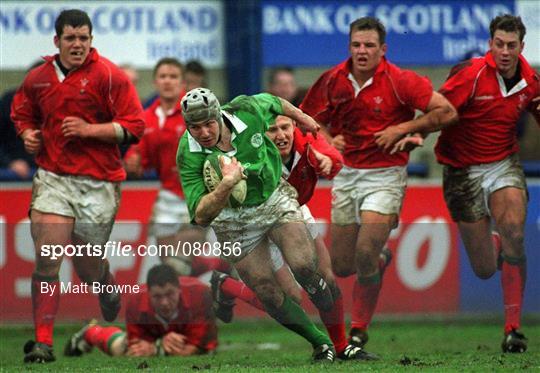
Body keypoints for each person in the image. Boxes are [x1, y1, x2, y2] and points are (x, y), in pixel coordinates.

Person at [375, 14, 539, 353]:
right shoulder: (472, 75)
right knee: (482, 268)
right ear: (490, 44)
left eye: (511, 46)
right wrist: (412, 132)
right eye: (498, 44)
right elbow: (439, 112)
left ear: (522, 47)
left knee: (516, 232)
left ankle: (512, 329)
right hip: (460, 170)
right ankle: (494, 248)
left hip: (502, 163)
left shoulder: (531, 81)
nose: (504, 52)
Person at [300, 17, 458, 348]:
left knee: (365, 251)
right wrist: (327, 142)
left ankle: (358, 328)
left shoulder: (401, 81)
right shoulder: (332, 80)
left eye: (369, 45)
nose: (362, 51)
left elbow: (447, 113)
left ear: (382, 49)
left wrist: (403, 129)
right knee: (343, 266)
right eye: (356, 45)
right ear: (349, 47)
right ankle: (380, 260)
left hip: (386, 175)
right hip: (346, 175)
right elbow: (307, 121)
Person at [11, 9, 145, 363]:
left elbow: (134, 126)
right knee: (48, 257)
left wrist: (90, 130)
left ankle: (106, 284)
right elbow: (21, 113)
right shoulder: (38, 78)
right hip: (53, 178)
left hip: (98, 183)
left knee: (87, 269)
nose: (77, 45)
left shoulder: (110, 76)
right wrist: (28, 134)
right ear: (57, 41)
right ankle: (43, 343)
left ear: (91, 40)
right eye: (70, 38)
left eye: (83, 38)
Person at [177, 88, 339, 362]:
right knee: (267, 292)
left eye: (208, 124)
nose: (203, 132)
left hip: (272, 198)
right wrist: (226, 185)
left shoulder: (246, 109)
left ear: (219, 115)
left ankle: (316, 287)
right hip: (232, 220)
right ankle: (321, 343)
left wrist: (304, 118)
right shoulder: (188, 154)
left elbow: (276, 102)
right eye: (195, 127)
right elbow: (201, 215)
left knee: (303, 265)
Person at [210, 115, 381, 360]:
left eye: (285, 128)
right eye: (272, 130)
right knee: (288, 298)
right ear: (259, 133)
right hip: (251, 220)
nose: (281, 135)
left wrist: (326, 161)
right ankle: (227, 286)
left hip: (291, 211)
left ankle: (341, 346)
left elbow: (334, 157)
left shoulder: (306, 142)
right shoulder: (244, 149)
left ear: (294, 127)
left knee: (325, 277)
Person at [124, 57, 228, 277]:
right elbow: (141, 156)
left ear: (183, 83)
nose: (168, 81)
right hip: (168, 194)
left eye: (173, 77)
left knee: (178, 262)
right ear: (155, 82)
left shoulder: (197, 112)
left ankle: (217, 274)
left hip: (199, 193)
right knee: (173, 267)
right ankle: (220, 269)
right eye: (163, 76)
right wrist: (133, 161)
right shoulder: (147, 118)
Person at [64, 264, 217, 357]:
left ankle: (91, 332)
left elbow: (197, 347)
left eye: (170, 294)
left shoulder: (200, 295)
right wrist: (158, 346)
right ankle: (91, 332)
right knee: (124, 349)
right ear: (148, 293)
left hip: (187, 334)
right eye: (157, 296)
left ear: (179, 290)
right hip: (154, 334)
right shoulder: (136, 301)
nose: (164, 303)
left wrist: (157, 349)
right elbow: (136, 347)